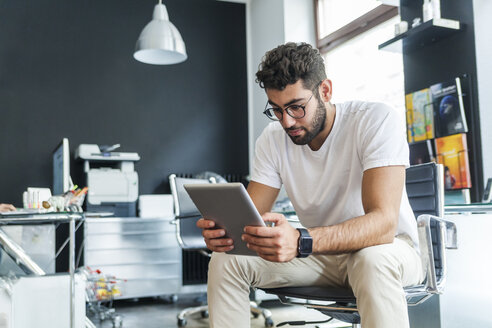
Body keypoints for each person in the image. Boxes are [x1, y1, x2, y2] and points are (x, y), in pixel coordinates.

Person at [197, 42, 423, 328]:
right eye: (277, 110)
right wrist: (226, 234)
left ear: (325, 91)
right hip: (321, 256)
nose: (287, 122)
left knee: (371, 261)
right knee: (226, 261)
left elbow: (383, 224)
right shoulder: (272, 139)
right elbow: (250, 219)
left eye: (296, 107)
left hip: (388, 249)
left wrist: (302, 240)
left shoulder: (374, 119)